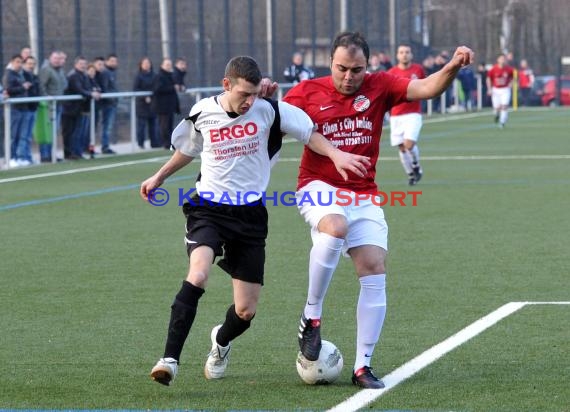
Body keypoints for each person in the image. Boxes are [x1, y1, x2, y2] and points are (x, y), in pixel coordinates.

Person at [140, 55, 370, 386]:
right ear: (226, 84)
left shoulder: (270, 110)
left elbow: (309, 133)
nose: (249, 101)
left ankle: (220, 342)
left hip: (249, 217)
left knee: (245, 311)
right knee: (199, 273)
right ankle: (169, 359)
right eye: (243, 94)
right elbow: (188, 150)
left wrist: (336, 154)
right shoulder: (204, 112)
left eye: (254, 93)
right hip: (208, 208)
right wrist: (159, 176)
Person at [279, 31, 473, 389]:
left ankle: (362, 366)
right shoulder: (305, 92)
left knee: (373, 267)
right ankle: (312, 317)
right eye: (341, 69)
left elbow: (428, 88)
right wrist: (261, 93)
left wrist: (453, 66)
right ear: (330, 63)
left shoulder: (380, 85)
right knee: (334, 226)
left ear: (368, 66)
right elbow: (274, 119)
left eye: (356, 70)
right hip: (318, 187)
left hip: (364, 194)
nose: (348, 77)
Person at [387, 44, 426, 186]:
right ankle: (411, 174)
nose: (404, 55)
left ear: (411, 54)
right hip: (396, 115)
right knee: (401, 148)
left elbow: (425, 86)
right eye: (401, 52)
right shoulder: (391, 72)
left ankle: (415, 164)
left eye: (407, 52)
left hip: (413, 114)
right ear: (397, 55)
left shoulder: (418, 70)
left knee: (408, 144)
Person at [38, 50, 68, 162]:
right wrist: (47, 98)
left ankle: (51, 154)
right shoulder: (46, 70)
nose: (57, 61)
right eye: (55, 58)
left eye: (59, 59)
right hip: (48, 106)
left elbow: (64, 85)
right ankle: (45, 155)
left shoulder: (60, 70)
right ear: (50, 58)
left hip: (58, 104)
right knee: (47, 130)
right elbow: (42, 86)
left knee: (54, 131)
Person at [2, 54, 32, 167]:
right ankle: (10, 158)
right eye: (17, 62)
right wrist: (23, 87)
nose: (19, 64)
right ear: (12, 62)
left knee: (21, 135)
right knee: (12, 135)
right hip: (13, 109)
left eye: (21, 62)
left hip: (22, 107)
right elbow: (8, 90)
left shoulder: (20, 74)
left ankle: (19, 157)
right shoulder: (9, 74)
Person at [152, 58, 180, 149]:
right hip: (162, 106)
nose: (169, 67)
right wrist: (172, 88)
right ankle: (165, 143)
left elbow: (178, 84)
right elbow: (158, 89)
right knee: (163, 126)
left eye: (170, 65)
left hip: (170, 106)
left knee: (169, 125)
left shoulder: (171, 75)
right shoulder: (159, 76)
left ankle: (169, 142)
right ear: (162, 66)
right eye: (167, 65)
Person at [133, 57, 160, 148]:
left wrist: (152, 96)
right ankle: (141, 143)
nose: (146, 64)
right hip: (142, 105)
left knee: (153, 125)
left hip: (153, 103)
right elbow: (135, 89)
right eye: (144, 63)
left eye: (148, 63)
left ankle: (154, 143)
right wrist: (145, 96)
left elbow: (157, 86)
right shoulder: (138, 76)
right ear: (141, 65)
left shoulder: (155, 75)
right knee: (142, 125)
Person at [98, 54, 119, 153]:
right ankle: (104, 146)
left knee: (108, 126)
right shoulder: (105, 73)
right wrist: (112, 99)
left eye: (115, 61)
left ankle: (105, 145)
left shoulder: (111, 73)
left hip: (111, 104)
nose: (114, 63)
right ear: (107, 61)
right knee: (106, 126)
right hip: (107, 104)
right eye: (112, 61)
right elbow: (105, 89)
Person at [486, 54, 514, 128]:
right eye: (501, 59)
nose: (502, 60)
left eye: (504, 59)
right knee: (497, 108)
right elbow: (488, 79)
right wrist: (489, 89)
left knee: (504, 106)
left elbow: (514, 77)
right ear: (498, 60)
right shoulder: (493, 69)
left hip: (505, 89)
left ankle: (502, 122)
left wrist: (511, 83)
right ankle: (497, 115)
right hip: (496, 90)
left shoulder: (509, 69)